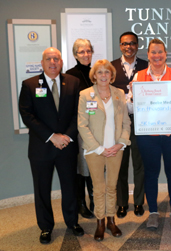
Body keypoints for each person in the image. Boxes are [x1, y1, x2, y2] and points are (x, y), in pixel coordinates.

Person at [18, 47, 84, 244]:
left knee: (70, 187)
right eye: (49, 59)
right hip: (41, 147)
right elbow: (27, 115)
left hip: (67, 146)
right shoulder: (29, 85)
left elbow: (78, 113)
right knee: (42, 188)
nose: (53, 62)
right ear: (42, 62)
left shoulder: (73, 82)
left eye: (56, 58)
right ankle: (46, 227)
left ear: (61, 62)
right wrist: (51, 136)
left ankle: (72, 222)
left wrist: (67, 136)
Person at [130, 38, 171, 230]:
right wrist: (131, 96)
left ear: (166, 54)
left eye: (160, 52)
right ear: (148, 55)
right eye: (153, 52)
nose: (157, 56)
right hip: (148, 136)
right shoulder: (138, 77)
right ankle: (153, 212)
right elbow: (131, 108)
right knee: (151, 174)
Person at [78, 59, 131, 241]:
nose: (103, 76)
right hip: (95, 150)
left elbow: (126, 122)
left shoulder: (119, 94)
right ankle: (100, 222)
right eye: (99, 72)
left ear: (112, 75)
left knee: (112, 186)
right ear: (94, 75)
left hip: (116, 148)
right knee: (98, 188)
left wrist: (121, 143)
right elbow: (82, 126)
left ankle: (111, 220)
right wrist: (99, 148)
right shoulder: (85, 95)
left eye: (107, 72)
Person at [111, 32, 148, 218]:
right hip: (119, 123)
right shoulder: (110, 67)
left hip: (141, 121)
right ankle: (122, 203)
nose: (129, 47)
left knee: (140, 164)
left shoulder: (146, 67)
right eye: (125, 44)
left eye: (132, 43)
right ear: (120, 46)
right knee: (121, 164)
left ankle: (139, 202)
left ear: (137, 46)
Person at [66, 38, 94, 218]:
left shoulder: (96, 72)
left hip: (96, 127)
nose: (86, 55)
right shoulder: (69, 75)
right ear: (75, 55)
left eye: (88, 51)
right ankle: (81, 202)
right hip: (79, 129)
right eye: (81, 52)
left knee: (94, 166)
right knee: (80, 168)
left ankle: (94, 199)